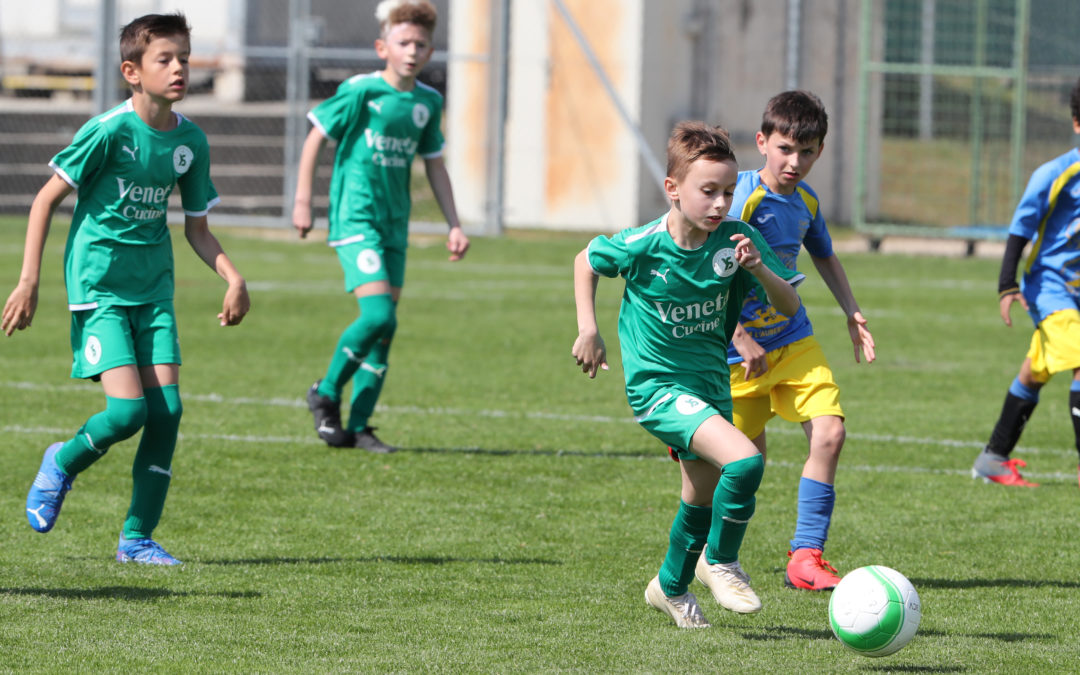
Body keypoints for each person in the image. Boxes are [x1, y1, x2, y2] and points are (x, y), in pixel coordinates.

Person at [1, 12, 250, 565]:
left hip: (154, 290)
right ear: (132, 71)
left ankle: (137, 539)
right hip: (100, 288)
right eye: (166, 59)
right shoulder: (108, 130)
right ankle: (61, 463)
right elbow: (45, 200)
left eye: (184, 56)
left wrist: (232, 276)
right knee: (127, 413)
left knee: (167, 412)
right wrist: (29, 281)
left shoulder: (189, 140)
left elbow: (197, 229)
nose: (179, 67)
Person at [572, 121, 805, 628]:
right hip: (657, 390)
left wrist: (758, 271)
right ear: (672, 190)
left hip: (710, 387)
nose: (721, 203)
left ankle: (671, 588)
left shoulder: (737, 240)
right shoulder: (643, 245)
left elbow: (789, 304)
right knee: (744, 462)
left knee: (700, 496)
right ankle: (720, 562)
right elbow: (586, 259)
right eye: (708, 192)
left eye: (727, 191)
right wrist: (588, 329)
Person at [293, 0, 469, 454]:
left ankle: (361, 426)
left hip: (395, 226)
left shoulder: (427, 102)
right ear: (381, 47)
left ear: (430, 52)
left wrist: (454, 223)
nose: (412, 50)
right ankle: (326, 391)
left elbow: (435, 166)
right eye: (403, 42)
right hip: (356, 219)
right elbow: (316, 136)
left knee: (384, 333)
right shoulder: (360, 91)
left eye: (421, 44)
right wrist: (302, 202)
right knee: (378, 316)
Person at [724, 90, 875, 592]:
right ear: (763, 142)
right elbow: (708, 269)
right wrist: (739, 334)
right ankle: (714, 555)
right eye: (786, 148)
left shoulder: (807, 201)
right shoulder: (739, 197)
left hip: (794, 339)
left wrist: (851, 310)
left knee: (830, 433)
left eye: (807, 152)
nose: (795, 162)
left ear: (821, 151)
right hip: (738, 356)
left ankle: (806, 556)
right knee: (745, 466)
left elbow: (825, 255)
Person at [972, 76, 1080, 489]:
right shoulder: (1058, 173)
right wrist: (1006, 285)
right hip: (1050, 287)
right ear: (1076, 124)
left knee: (1035, 371)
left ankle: (993, 458)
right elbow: (1020, 230)